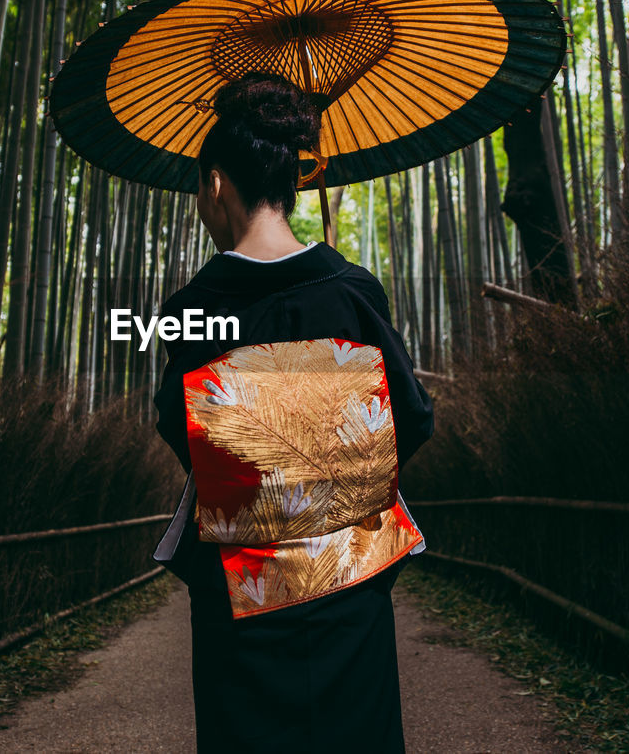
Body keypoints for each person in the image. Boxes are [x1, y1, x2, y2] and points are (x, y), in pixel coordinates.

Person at [149, 71, 435, 753]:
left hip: (238, 600)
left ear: (216, 183)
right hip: (347, 598)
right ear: (291, 182)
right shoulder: (353, 294)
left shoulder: (192, 312)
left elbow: (179, 431)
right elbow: (413, 420)